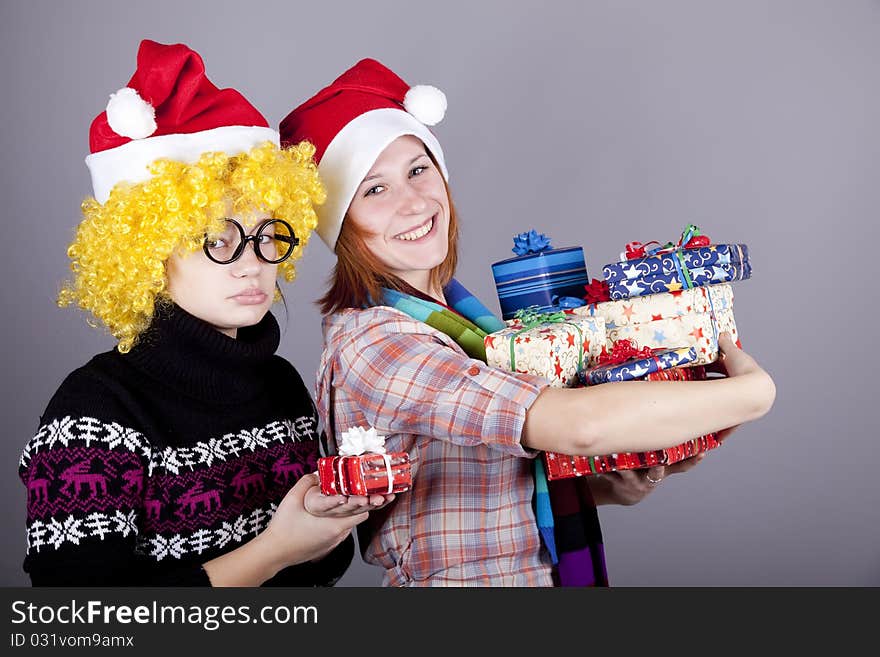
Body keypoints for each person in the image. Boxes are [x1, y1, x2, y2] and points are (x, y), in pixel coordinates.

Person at [279, 59, 776, 587]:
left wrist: (615, 482)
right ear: (342, 227)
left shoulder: (463, 321)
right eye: (373, 190)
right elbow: (576, 426)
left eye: (418, 170)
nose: (413, 202)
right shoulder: (374, 341)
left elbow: (498, 489)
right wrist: (753, 393)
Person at [18, 40, 392, 587]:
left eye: (268, 236)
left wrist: (319, 525)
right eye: (217, 240)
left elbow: (317, 576)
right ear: (146, 251)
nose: (252, 266)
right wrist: (274, 549)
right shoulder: (94, 409)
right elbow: (81, 617)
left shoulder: (281, 385)